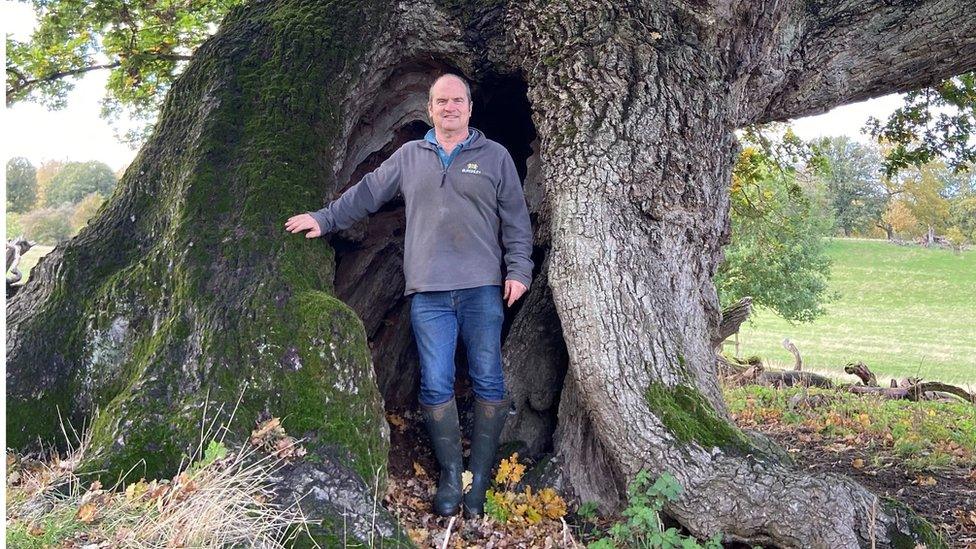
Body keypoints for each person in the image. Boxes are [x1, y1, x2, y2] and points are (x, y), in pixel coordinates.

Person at [284, 73, 534, 518]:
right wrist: (324, 219)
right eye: (441, 101)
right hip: (429, 293)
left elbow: (516, 220)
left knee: (489, 382)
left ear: (470, 108)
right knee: (436, 383)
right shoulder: (409, 156)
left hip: (482, 288)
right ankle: (452, 477)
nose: (450, 107)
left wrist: (518, 270)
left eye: (458, 101)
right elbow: (367, 193)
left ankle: (477, 485)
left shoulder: (494, 157)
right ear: (430, 108)